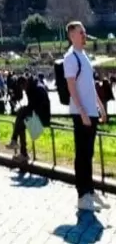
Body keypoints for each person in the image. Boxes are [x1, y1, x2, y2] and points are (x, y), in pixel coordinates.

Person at [64, 21, 109, 211]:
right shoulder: (71, 57)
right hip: (80, 113)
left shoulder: (83, 56)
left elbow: (90, 85)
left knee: (88, 154)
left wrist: (100, 107)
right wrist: (82, 111)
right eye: (81, 32)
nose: (84, 35)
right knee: (82, 155)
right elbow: (71, 87)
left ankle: (89, 191)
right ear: (72, 35)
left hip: (91, 111)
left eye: (84, 32)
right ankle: (82, 196)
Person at [5, 74, 51, 162]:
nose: (24, 90)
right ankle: (19, 148)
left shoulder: (38, 89)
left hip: (42, 117)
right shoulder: (30, 87)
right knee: (21, 117)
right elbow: (31, 106)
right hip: (36, 113)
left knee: (21, 121)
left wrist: (26, 111)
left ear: (26, 83)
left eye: (23, 88)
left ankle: (21, 149)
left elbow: (39, 107)